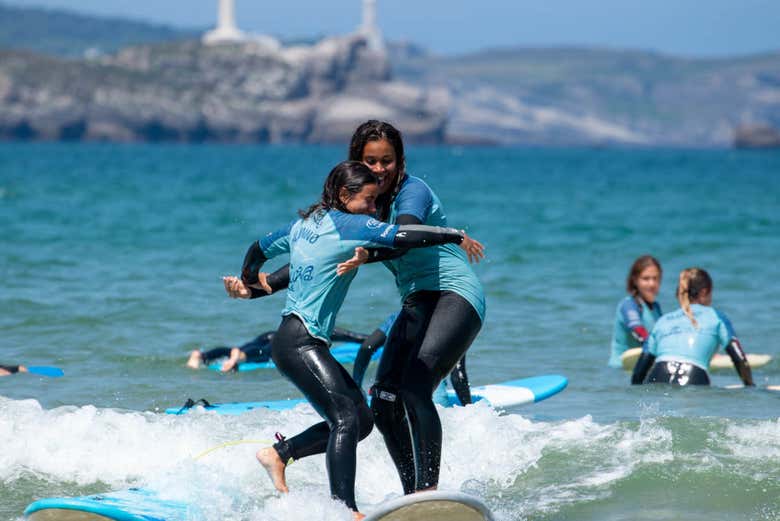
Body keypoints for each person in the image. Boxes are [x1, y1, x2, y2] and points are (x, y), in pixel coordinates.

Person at [223, 160, 483, 519]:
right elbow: (403, 237)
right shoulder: (352, 225)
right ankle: (345, 511)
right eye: (369, 200)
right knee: (346, 419)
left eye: (378, 201)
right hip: (301, 343)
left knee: (361, 419)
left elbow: (258, 248)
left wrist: (248, 279)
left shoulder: (303, 226)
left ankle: (280, 454)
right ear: (345, 195)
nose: (375, 209)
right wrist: (452, 234)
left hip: (293, 341)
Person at [338, 120, 486, 494]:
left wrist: (367, 255)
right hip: (418, 300)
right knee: (384, 401)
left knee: (416, 388)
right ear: (357, 162)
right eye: (370, 161)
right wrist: (262, 282)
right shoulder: (364, 205)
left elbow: (403, 239)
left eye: (387, 160)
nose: (379, 169)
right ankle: (412, 497)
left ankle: (428, 490)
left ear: (399, 160)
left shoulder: (412, 192)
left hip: (455, 294)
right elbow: (321, 246)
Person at [631, 267, 754, 387]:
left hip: (656, 376)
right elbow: (738, 358)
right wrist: (750, 387)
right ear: (705, 292)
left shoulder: (662, 321)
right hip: (694, 376)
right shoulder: (717, 317)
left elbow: (640, 370)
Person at [351, 312, 473, 406]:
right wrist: (468, 407)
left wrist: (357, 386)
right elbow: (458, 377)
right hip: (432, 399)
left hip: (389, 396)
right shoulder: (451, 322)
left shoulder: (400, 315)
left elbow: (366, 348)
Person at [186, 327, 368, 372]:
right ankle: (364, 338)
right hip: (276, 340)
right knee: (259, 353)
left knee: (247, 349)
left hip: (270, 337)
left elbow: (234, 351)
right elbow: (235, 352)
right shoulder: (319, 330)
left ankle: (202, 355)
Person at [608, 255, 663, 368]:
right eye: (646, 278)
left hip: (642, 368)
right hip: (621, 369)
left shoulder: (656, 308)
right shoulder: (629, 305)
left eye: (655, 278)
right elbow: (639, 331)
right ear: (635, 280)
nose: (652, 284)